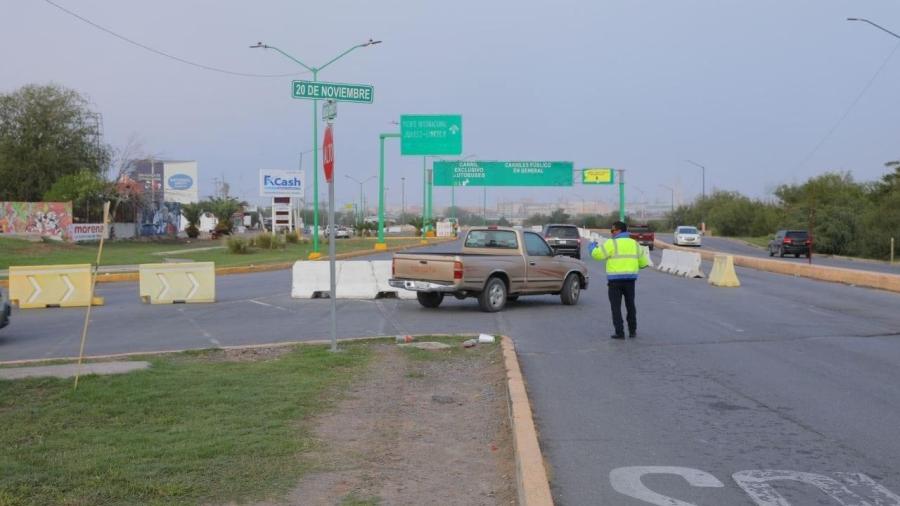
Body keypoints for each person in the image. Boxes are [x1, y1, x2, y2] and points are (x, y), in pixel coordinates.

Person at [588, 221, 650, 339]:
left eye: (613, 230)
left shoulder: (611, 243)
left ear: (619, 230)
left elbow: (598, 255)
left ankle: (619, 332)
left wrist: (591, 247)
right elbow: (643, 263)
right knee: (630, 305)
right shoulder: (634, 244)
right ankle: (632, 331)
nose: (611, 233)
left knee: (616, 307)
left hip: (615, 281)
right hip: (630, 280)